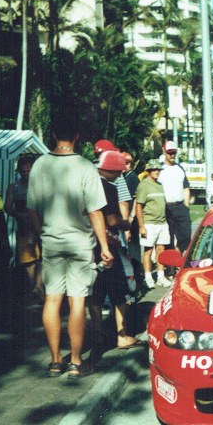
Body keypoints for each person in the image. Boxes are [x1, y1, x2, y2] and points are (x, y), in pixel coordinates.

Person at [27, 116, 111, 380]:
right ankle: (76, 361)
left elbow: (31, 209)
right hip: (80, 243)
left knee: (52, 299)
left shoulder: (39, 165)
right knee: (77, 301)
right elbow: (95, 212)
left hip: (51, 241)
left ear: (52, 134)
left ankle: (55, 361)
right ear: (75, 136)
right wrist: (105, 246)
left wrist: (43, 234)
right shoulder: (86, 166)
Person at [88, 150, 145, 351]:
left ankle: (96, 331)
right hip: (109, 244)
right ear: (112, 170)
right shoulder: (108, 187)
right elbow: (112, 219)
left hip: (89, 243)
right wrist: (126, 224)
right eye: (119, 172)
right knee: (120, 289)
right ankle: (121, 335)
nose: (120, 175)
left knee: (95, 290)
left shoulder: (88, 183)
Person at [5, 155, 44, 301]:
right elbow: (7, 207)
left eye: (29, 170)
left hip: (40, 225)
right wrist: (18, 214)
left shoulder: (41, 185)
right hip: (24, 226)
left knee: (43, 256)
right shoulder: (13, 187)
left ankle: (39, 286)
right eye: (23, 171)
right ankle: (34, 285)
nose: (26, 174)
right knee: (28, 258)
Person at [134, 159, 172, 289]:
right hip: (149, 224)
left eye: (158, 169)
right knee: (148, 251)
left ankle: (161, 276)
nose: (157, 172)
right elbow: (138, 206)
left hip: (162, 223)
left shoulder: (160, 185)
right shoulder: (143, 185)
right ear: (149, 171)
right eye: (154, 169)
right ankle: (148, 276)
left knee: (161, 250)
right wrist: (141, 226)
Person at [160, 140, 192, 253]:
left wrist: (186, 207)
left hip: (180, 206)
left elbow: (186, 188)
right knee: (168, 238)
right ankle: (170, 267)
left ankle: (180, 258)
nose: (172, 155)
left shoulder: (180, 169)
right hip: (166, 207)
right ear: (164, 152)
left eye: (174, 152)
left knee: (185, 236)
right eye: (170, 152)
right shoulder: (160, 169)